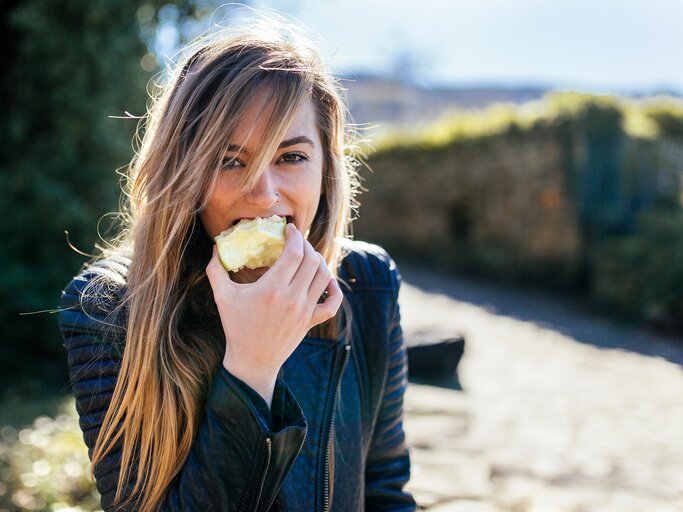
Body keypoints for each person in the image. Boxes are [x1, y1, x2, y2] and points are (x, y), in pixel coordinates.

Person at [58, 15, 415, 512]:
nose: (265, 196)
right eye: (229, 161)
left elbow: (384, 491)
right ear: (181, 174)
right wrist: (251, 367)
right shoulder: (108, 307)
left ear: (326, 171)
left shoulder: (370, 283)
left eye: (290, 157)